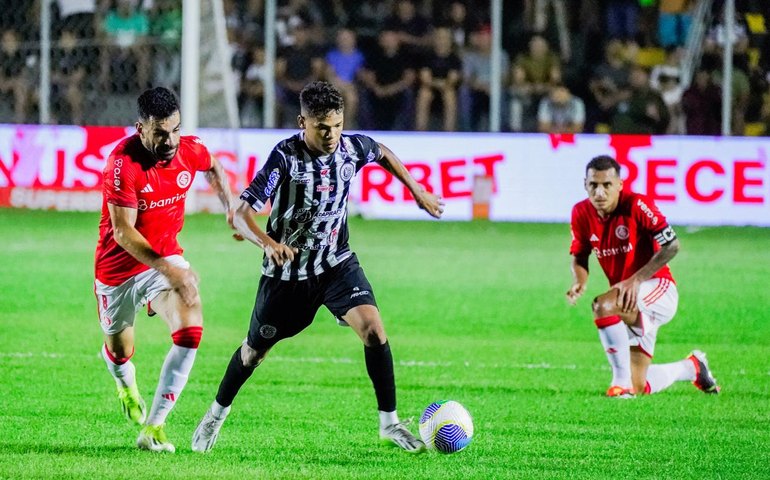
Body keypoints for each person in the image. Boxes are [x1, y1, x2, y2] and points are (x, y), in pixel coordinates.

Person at [191, 81, 444, 454]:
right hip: (287, 278)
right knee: (253, 353)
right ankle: (215, 415)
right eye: (322, 127)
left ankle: (389, 423)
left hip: (336, 263)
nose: (331, 135)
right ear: (302, 122)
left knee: (374, 330)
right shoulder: (285, 158)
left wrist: (417, 191)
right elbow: (241, 215)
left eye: (338, 125)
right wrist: (268, 243)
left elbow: (382, 152)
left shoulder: (350, 149)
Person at [94, 87, 235, 452]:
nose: (170, 140)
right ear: (141, 128)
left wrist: (230, 206)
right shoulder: (122, 164)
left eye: (175, 129)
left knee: (191, 329)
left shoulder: (188, 149)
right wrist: (167, 269)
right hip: (119, 269)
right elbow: (124, 232)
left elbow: (214, 167)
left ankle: (154, 428)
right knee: (121, 351)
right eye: (160, 132)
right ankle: (126, 385)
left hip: (164, 259)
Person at [566, 155, 720, 398]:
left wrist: (636, 280)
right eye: (593, 185)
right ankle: (692, 367)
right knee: (640, 383)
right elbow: (580, 254)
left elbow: (672, 245)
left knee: (603, 306)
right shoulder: (580, 212)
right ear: (584, 184)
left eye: (607, 185)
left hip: (658, 289)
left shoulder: (637, 205)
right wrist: (580, 281)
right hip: (629, 297)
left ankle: (619, 385)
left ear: (619, 185)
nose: (599, 192)